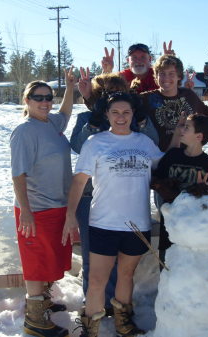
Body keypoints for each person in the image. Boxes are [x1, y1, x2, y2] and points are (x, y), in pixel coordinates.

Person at [63, 92, 163, 337]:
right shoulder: (95, 143)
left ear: (133, 115)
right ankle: (91, 327)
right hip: (103, 223)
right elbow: (79, 182)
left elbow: (166, 165)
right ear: (107, 114)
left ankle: (123, 322)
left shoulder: (144, 143)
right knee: (97, 279)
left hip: (137, 224)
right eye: (115, 112)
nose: (121, 117)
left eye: (126, 112)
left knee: (126, 275)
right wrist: (70, 215)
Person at [10, 69, 75, 337]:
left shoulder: (50, 123)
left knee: (48, 258)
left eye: (49, 97)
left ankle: (43, 301)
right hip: (36, 209)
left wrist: (70, 87)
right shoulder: (25, 131)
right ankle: (35, 321)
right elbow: (17, 174)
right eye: (38, 97)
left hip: (57, 205)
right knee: (36, 261)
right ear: (27, 100)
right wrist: (25, 211)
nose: (45, 102)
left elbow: (67, 113)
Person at [152, 114, 208, 265]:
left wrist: (206, 190)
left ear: (199, 136)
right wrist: (160, 185)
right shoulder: (172, 156)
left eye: (187, 127)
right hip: (169, 226)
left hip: (194, 230)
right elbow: (155, 178)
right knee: (167, 269)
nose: (182, 129)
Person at [141, 54, 208, 152]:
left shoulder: (188, 95)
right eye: (162, 73)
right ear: (156, 76)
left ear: (179, 76)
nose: (166, 78)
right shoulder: (146, 98)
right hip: (159, 159)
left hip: (187, 159)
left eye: (171, 73)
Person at [101, 41, 175, 93]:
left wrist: (168, 66)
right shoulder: (121, 77)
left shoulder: (159, 75)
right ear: (128, 61)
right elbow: (104, 93)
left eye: (143, 57)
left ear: (150, 59)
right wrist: (107, 72)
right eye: (134, 58)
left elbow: (174, 88)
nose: (138, 61)